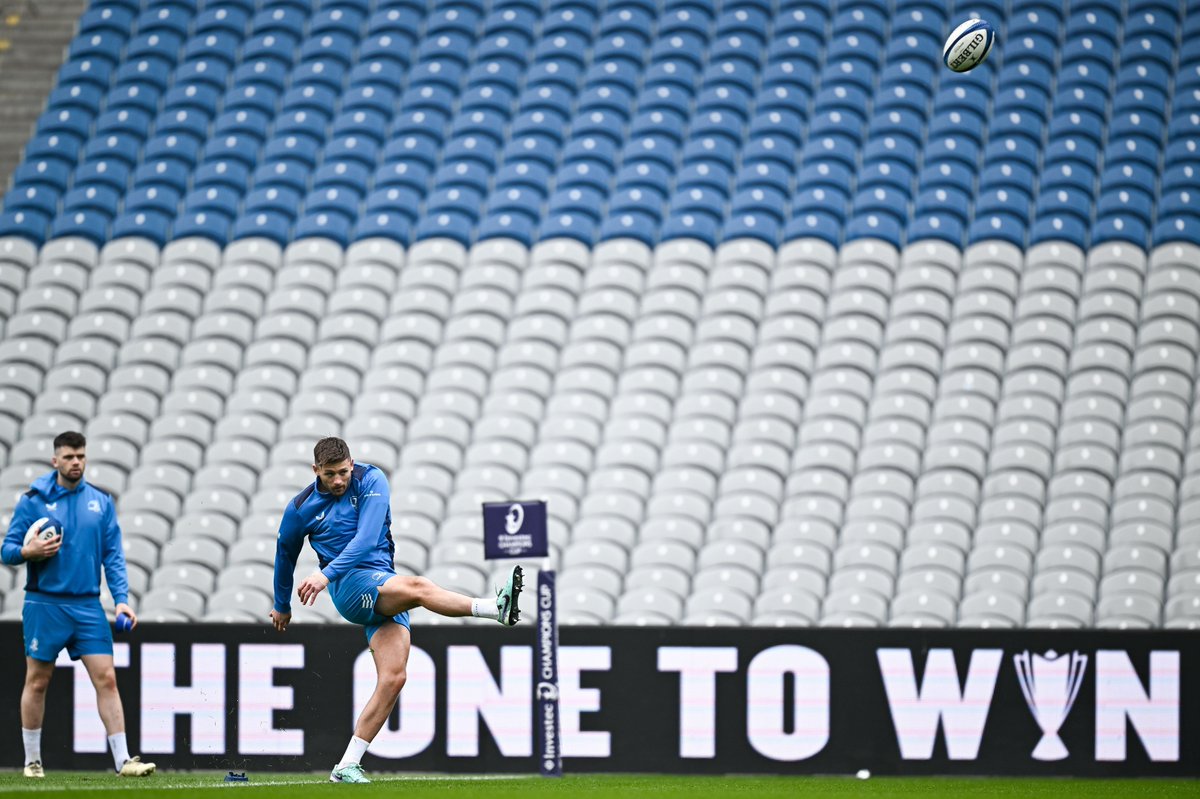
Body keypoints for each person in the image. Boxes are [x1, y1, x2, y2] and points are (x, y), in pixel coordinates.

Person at [271, 436, 523, 784]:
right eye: (330, 474)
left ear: (352, 463)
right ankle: (496, 608)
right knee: (418, 587)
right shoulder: (300, 508)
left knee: (393, 678)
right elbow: (284, 553)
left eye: (343, 472)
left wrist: (321, 576)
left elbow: (367, 538)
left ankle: (346, 765)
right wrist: (282, 604)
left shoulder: (372, 480)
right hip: (349, 587)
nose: (339, 480)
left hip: (380, 582)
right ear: (315, 470)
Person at [2, 431, 156, 779]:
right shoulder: (33, 501)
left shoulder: (100, 502)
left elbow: (113, 557)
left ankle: (123, 761)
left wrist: (121, 602)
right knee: (38, 681)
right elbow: (7, 550)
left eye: (81, 456)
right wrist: (28, 552)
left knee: (107, 679)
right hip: (44, 604)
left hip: (87, 605)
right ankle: (32, 761)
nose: (76, 462)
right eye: (69, 457)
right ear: (55, 460)